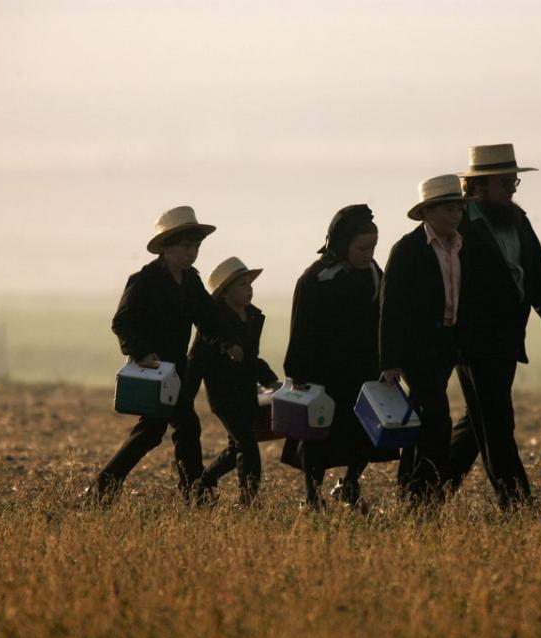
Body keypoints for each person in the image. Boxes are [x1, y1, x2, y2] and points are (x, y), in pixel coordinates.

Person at [449, 143, 541, 509]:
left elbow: (538, 276)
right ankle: (517, 505)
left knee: (478, 422)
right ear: (478, 186)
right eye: (504, 183)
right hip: (472, 340)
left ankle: (429, 492)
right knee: (497, 420)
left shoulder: (518, 221)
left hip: (507, 339)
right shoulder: (459, 225)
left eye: (514, 182)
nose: (511, 188)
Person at [94, 205, 242, 503]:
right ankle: (109, 486)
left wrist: (228, 343)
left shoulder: (191, 281)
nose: (192, 253)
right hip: (152, 371)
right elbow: (122, 323)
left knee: (172, 429)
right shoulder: (144, 280)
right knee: (162, 430)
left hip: (176, 373)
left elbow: (208, 319)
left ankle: (189, 492)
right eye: (186, 246)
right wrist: (141, 353)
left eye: (196, 246)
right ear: (166, 247)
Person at [280, 204, 396, 511]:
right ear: (343, 244)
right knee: (316, 436)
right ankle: (312, 496)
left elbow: (385, 320)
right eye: (362, 247)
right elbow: (301, 328)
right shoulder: (316, 279)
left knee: (365, 433)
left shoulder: (373, 274)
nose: (369, 253)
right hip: (324, 373)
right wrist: (297, 372)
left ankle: (350, 484)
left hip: (362, 371)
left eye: (373, 247)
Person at [380, 175, 467, 507]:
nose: (455, 215)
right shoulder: (407, 250)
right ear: (427, 212)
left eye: (458, 208)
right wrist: (389, 361)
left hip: (448, 344)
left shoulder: (461, 244)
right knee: (436, 421)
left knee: (423, 419)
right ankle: (425, 495)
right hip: (418, 348)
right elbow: (390, 308)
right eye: (448, 209)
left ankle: (412, 493)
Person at [189, 256, 278, 505]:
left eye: (250, 284)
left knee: (234, 450)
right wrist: (185, 394)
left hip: (247, 392)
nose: (249, 289)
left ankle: (202, 483)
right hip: (223, 395)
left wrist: (269, 379)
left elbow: (252, 357)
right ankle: (247, 500)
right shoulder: (213, 322)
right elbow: (196, 360)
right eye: (242, 285)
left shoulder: (252, 317)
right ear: (225, 292)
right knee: (248, 445)